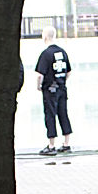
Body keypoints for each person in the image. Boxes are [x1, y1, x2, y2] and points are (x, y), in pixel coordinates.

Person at [35, 26, 72, 156]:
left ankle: (51, 145)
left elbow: (40, 74)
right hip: (62, 88)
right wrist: (61, 81)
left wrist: (39, 86)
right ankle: (66, 143)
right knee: (63, 113)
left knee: (50, 115)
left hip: (50, 89)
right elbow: (69, 72)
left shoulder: (46, 54)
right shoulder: (62, 52)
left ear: (45, 36)